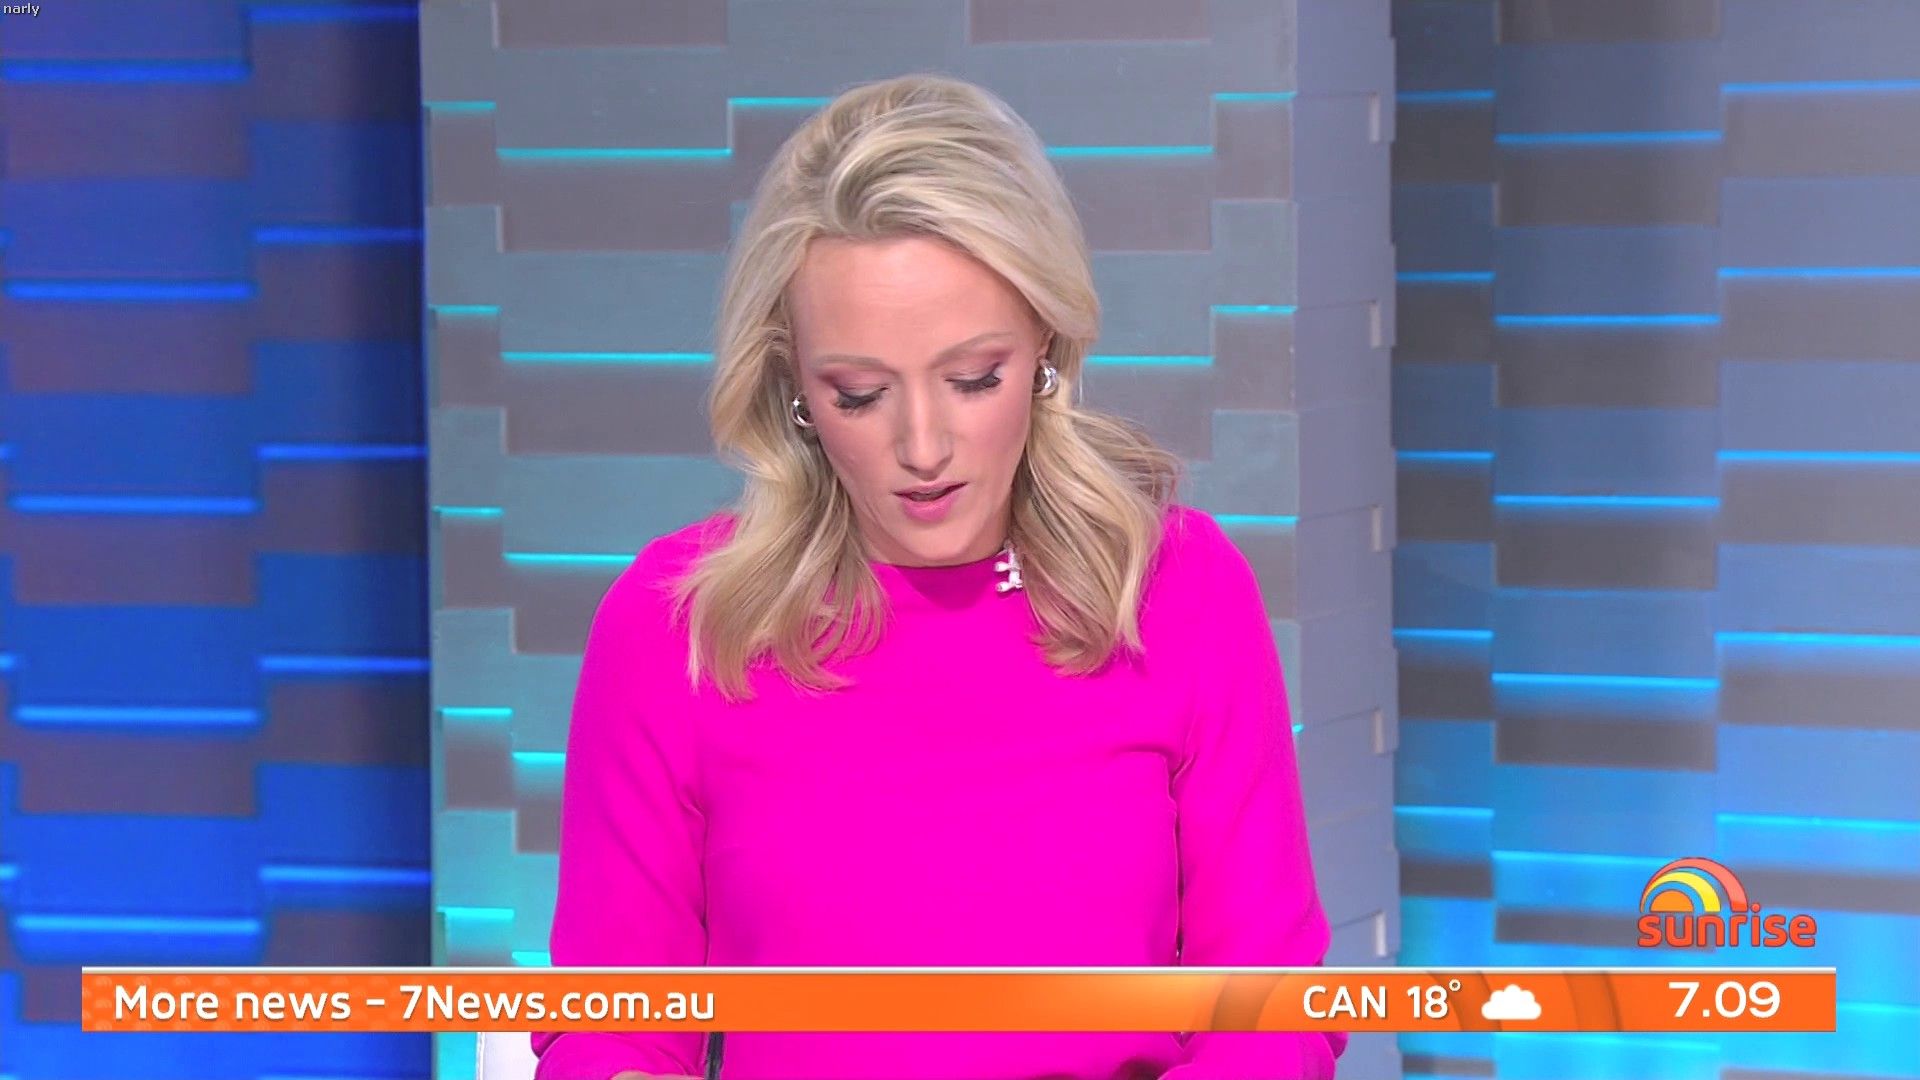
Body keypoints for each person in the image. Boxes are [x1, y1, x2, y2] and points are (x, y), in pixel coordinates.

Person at [532, 72, 1345, 1080]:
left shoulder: (1179, 590)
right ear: (795, 387)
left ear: (1044, 347)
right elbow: (610, 1026)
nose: (924, 447)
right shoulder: (678, 625)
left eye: (972, 379)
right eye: (859, 393)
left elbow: (1271, 1012)